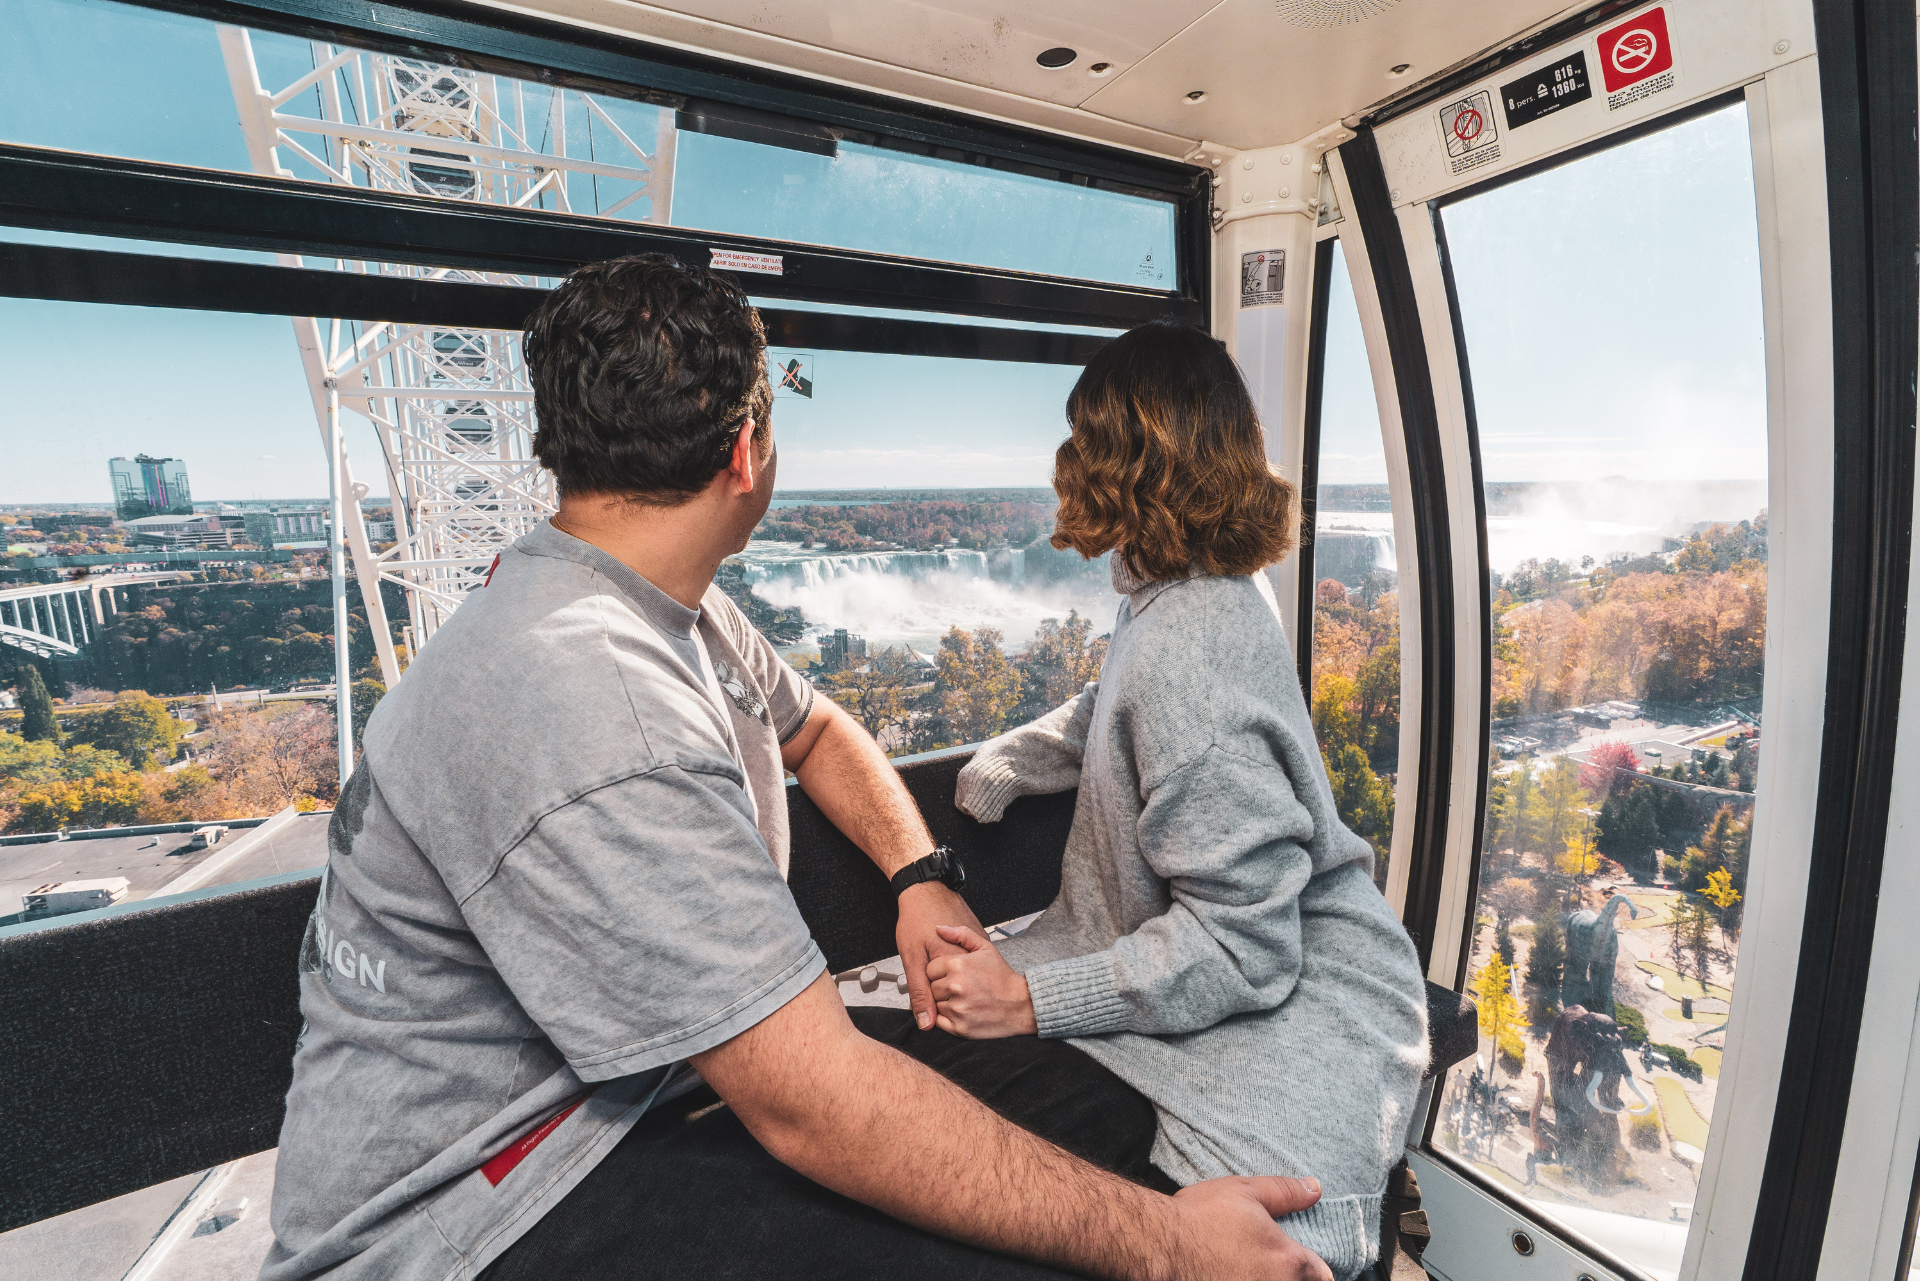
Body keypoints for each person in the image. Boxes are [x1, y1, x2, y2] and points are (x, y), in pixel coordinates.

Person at [260, 255, 1335, 1281]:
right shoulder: (589, 695)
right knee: (1080, 1238)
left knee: (1093, 1115)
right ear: (747, 452)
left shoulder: (665, 609)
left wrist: (918, 879)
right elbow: (814, 1105)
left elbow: (816, 732)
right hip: (488, 1205)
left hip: (641, 1088)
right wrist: (1170, 1247)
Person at [928, 320, 1430, 1281]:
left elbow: (1247, 947)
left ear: (1127, 461)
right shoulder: (1193, 586)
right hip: (1270, 931)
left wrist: (1031, 998)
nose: (1065, 461)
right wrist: (1014, 759)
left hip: (1304, 979)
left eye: (1083, 439)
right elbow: (1112, 702)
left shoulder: (1187, 648)